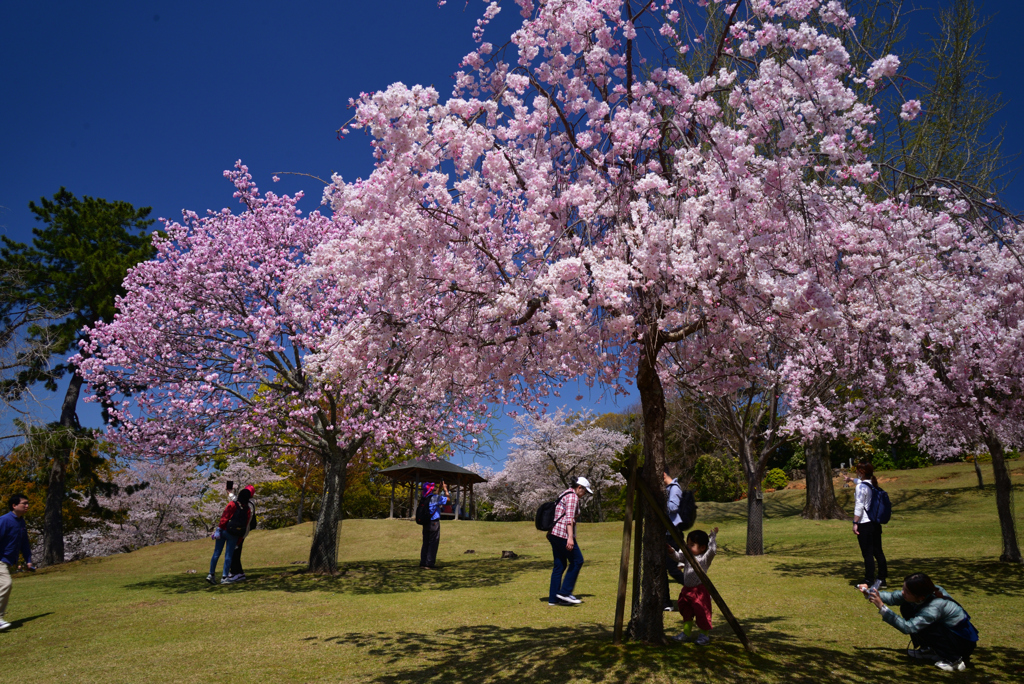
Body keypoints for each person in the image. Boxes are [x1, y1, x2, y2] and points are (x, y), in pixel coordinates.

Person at [863, 572, 979, 672]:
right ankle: (930, 649)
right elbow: (894, 597)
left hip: (962, 643)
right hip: (950, 635)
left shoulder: (935, 607)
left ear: (920, 597)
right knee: (907, 607)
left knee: (927, 626)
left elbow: (908, 627)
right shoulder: (925, 591)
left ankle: (954, 660)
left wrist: (882, 607)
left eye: (906, 591)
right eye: (903, 588)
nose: (903, 592)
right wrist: (870, 594)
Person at [668, 527, 719, 645]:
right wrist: (671, 551)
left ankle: (704, 635)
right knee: (686, 610)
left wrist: (712, 538)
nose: (688, 546)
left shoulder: (704, 558)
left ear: (702, 547)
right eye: (688, 544)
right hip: (687, 590)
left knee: (702, 612)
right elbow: (678, 557)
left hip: (700, 591)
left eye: (692, 545)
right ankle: (686, 633)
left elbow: (712, 551)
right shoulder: (687, 556)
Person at [547, 476, 592, 606]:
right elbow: (569, 519)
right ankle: (565, 593)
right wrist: (570, 538)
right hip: (562, 534)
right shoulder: (573, 496)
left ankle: (553, 599)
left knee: (559, 565)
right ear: (579, 488)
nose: (584, 495)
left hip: (554, 534)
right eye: (585, 491)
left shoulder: (564, 493)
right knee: (578, 560)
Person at [845, 463, 888, 588]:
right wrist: (850, 479)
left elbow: (859, 506)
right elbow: (859, 481)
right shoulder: (872, 485)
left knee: (867, 553)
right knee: (878, 552)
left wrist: (855, 523)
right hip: (875, 523)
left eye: (857, 471)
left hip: (865, 523)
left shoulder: (861, 488)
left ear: (862, 472)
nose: (856, 473)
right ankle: (881, 579)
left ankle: (868, 580)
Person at [0, 493, 35, 631]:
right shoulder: (4, 520)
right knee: (6, 584)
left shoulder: (21, 522)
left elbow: (24, 543)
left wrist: (28, 560)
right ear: (14, 506)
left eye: (28, 503)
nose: (27, 506)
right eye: (24, 503)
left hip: (7, 562)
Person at [662, 471, 693, 611]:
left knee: (673, 570)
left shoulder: (674, 488)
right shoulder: (668, 489)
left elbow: (673, 507)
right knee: (662, 570)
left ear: (663, 474)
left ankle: (698, 590)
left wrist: (660, 504)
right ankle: (666, 603)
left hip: (672, 534)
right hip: (666, 533)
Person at [227, 485, 256, 583]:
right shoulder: (248, 503)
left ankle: (237, 573)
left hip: (241, 532)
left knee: (235, 552)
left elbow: (237, 502)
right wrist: (230, 493)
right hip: (241, 531)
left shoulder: (249, 506)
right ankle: (238, 572)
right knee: (235, 552)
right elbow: (236, 501)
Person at [419, 481, 449, 569]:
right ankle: (430, 563)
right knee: (433, 543)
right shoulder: (435, 498)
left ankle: (423, 562)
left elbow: (434, 496)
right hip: (434, 523)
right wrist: (445, 489)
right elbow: (448, 500)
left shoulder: (424, 498)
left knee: (425, 543)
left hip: (426, 523)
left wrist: (439, 488)